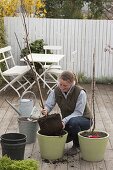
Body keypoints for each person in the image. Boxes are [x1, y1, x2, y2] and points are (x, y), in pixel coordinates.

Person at [41, 70, 93, 155]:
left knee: (73, 122)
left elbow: (78, 113)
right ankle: (74, 135)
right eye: (60, 84)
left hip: (84, 119)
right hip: (68, 121)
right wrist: (46, 109)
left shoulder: (80, 92)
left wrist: (64, 121)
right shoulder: (56, 91)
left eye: (65, 85)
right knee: (61, 136)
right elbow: (49, 104)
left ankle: (77, 146)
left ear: (72, 83)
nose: (61, 87)